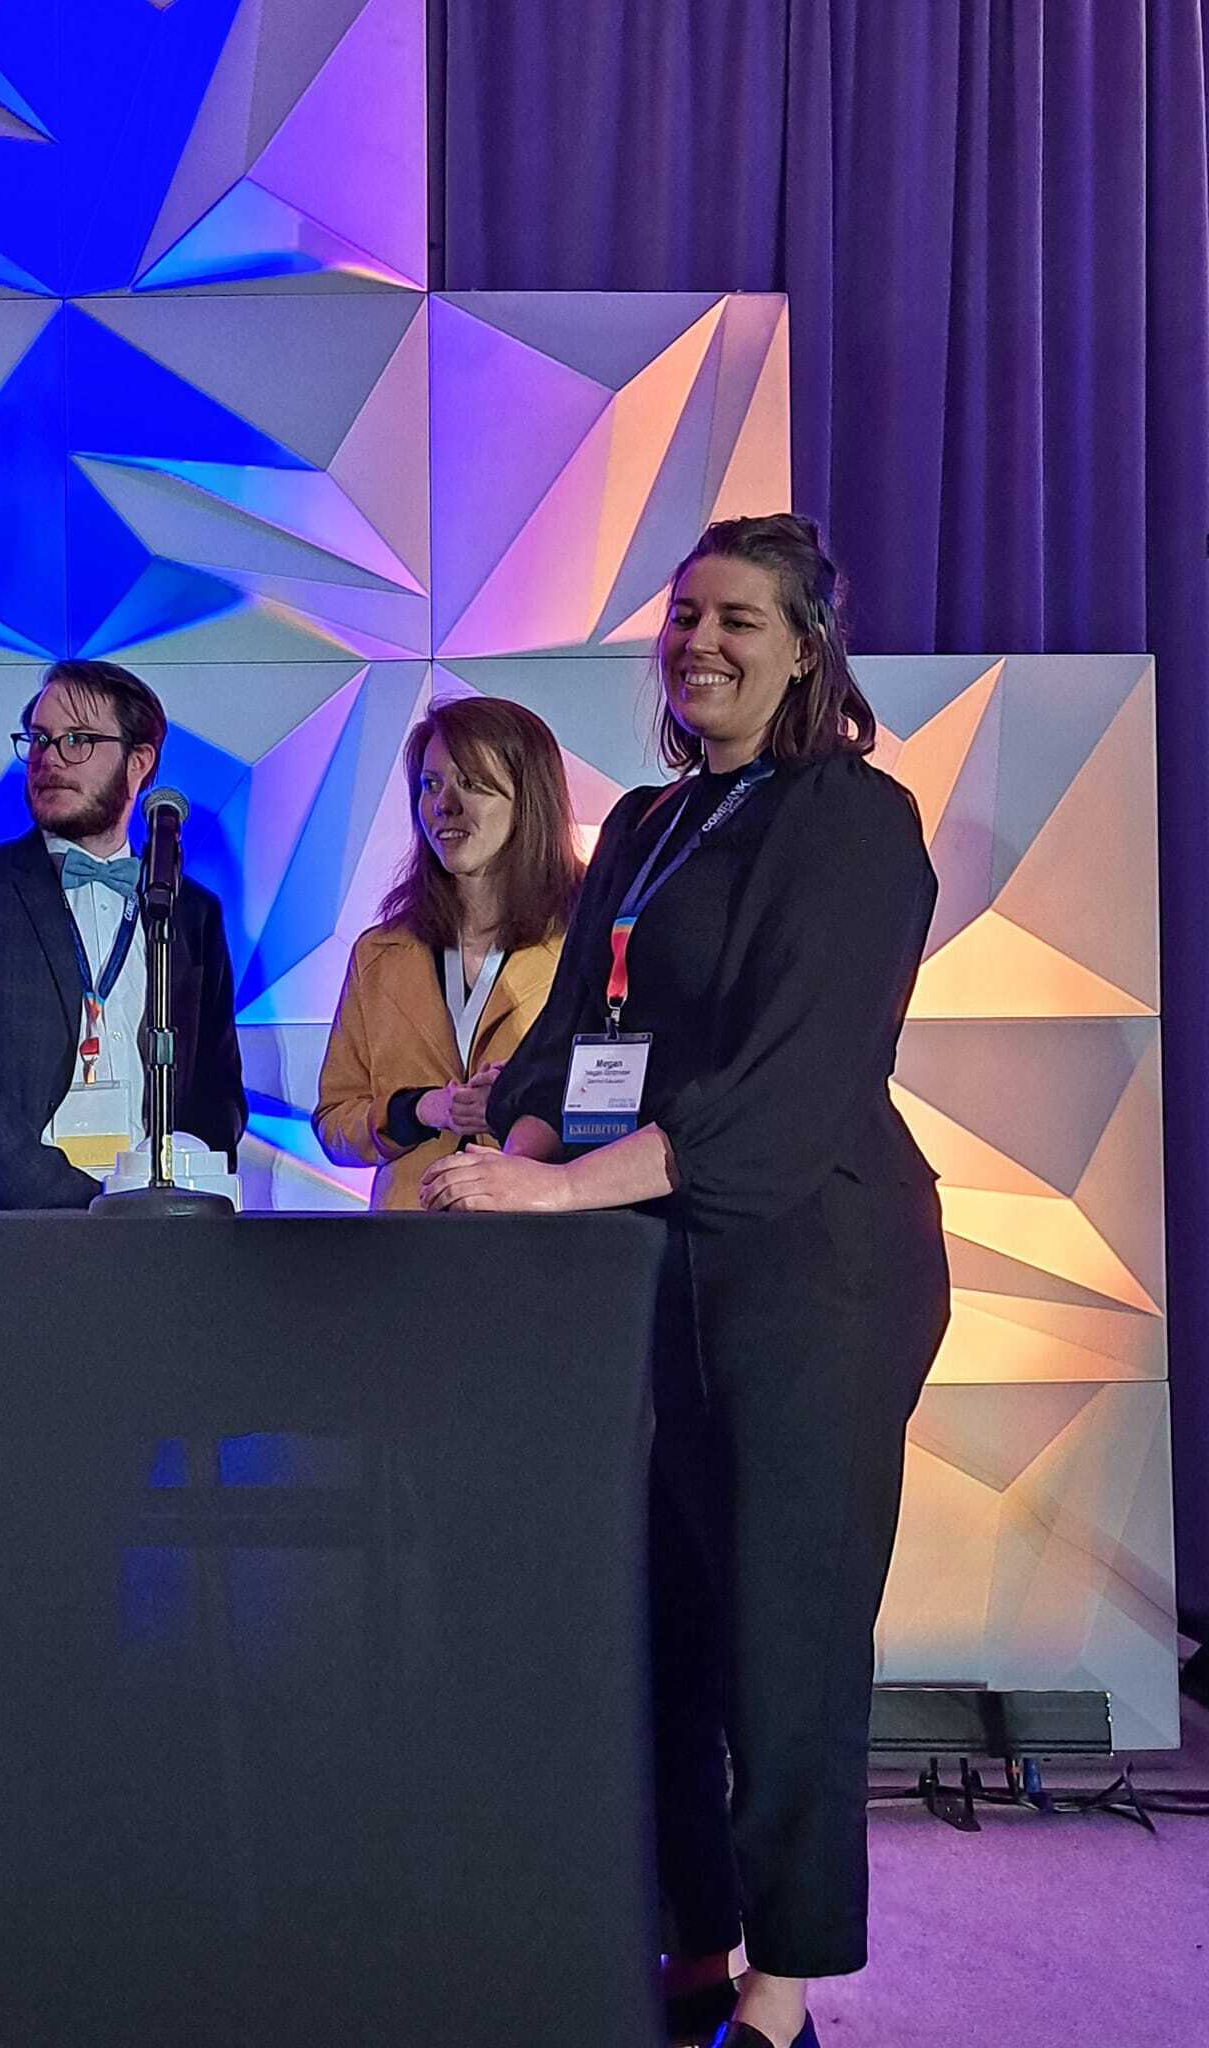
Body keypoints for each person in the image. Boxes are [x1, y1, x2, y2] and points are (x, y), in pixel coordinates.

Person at [421, 516, 948, 2048]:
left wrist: (558, 1188)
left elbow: (788, 1090)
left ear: (805, 648)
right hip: (650, 1270)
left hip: (813, 1272)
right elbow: (574, 1034)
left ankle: (782, 1995)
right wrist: (510, 1156)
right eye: (682, 615)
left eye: (737, 619)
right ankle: (694, 1945)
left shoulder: (855, 821)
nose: (698, 642)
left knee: (785, 1631)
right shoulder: (650, 823)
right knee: (656, 1630)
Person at [0, 657, 247, 1209]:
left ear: (138, 761)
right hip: (12, 1228)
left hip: (161, 1227)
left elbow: (217, 1089)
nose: (50, 758)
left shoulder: (191, 912)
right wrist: (83, 1202)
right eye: (39, 739)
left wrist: (182, 1187)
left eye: (78, 740)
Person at [313, 695, 581, 1208]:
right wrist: (418, 1109)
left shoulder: (587, 944)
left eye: (472, 784)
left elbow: (622, 1106)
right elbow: (333, 1123)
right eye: (431, 784)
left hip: (537, 1234)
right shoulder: (379, 953)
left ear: (529, 799)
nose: (444, 805)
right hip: (408, 1242)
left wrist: (515, 1105)